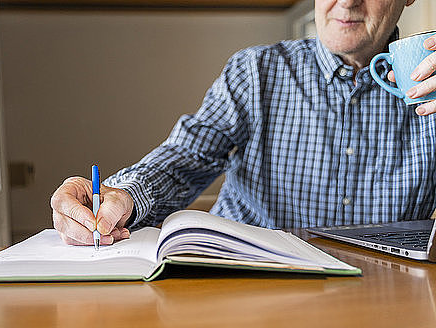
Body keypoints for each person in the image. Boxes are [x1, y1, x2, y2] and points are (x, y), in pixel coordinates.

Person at [51, 0, 436, 246]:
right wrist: (124, 197)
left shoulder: (429, 83)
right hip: (247, 287)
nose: (348, 1)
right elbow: (187, 156)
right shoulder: (256, 70)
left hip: (383, 301)